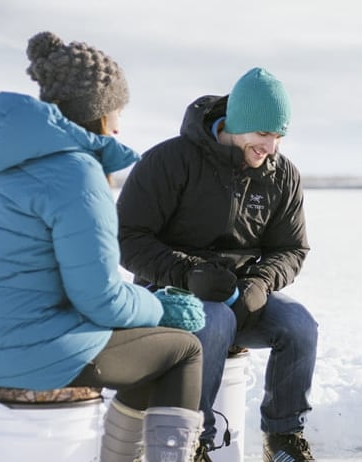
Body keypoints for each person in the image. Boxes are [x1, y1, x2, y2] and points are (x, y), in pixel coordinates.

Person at [0, 31, 205, 462]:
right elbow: (100, 299)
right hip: (37, 355)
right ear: (98, 112)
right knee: (182, 349)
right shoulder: (76, 173)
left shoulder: (1, 162)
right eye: (117, 108)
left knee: (140, 344)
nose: (120, 122)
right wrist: (159, 306)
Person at [116, 66, 317, 462]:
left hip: (241, 292)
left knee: (299, 326)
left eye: (278, 137)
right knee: (213, 321)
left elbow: (292, 248)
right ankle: (195, 440)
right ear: (237, 123)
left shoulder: (281, 175)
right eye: (263, 135)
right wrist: (188, 273)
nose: (271, 148)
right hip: (171, 291)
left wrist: (260, 283)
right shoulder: (170, 161)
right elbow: (128, 238)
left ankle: (283, 437)